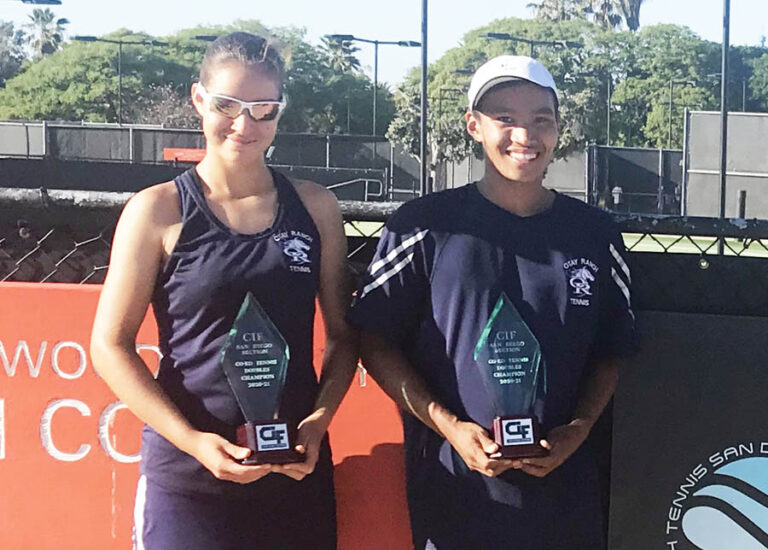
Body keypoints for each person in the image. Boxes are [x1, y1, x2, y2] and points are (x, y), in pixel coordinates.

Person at [347, 55, 636, 549]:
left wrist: (578, 429)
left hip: (564, 502)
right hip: (458, 495)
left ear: (558, 129)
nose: (524, 135)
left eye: (541, 119)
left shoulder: (596, 234)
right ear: (474, 126)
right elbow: (373, 340)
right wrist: (450, 426)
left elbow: (611, 350)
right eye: (505, 118)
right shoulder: (423, 226)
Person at [90, 32, 357, 550]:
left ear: (281, 111)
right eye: (228, 105)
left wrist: (318, 424)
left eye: (264, 109)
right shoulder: (157, 210)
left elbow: (342, 337)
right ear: (198, 100)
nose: (245, 124)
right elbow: (109, 345)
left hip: (292, 477)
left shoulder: (315, 207)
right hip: (189, 483)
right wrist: (193, 443)